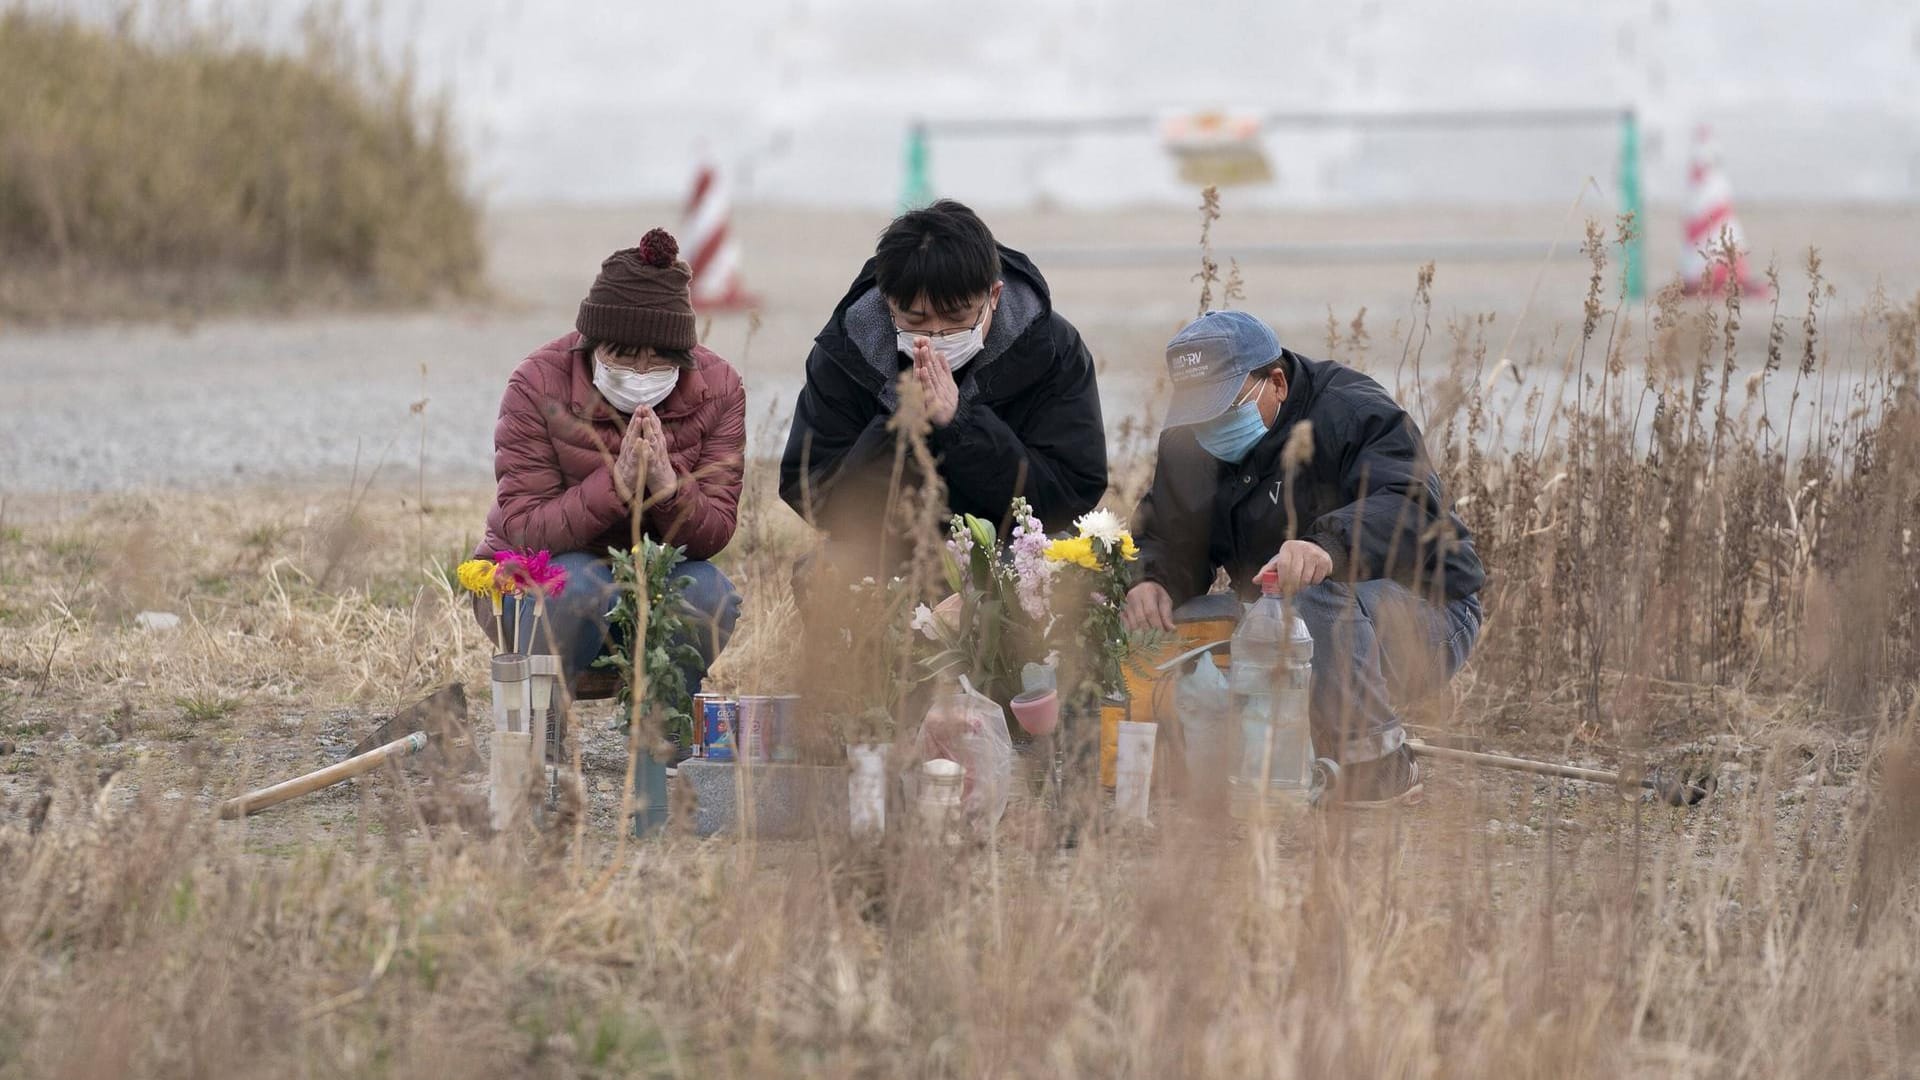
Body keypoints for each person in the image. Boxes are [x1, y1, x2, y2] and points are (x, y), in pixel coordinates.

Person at [1124, 310, 1485, 806]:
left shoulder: (1351, 410)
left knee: (1311, 597)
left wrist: (1328, 546)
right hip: (1278, 624)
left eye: (1224, 410)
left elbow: (1411, 504)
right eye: (1198, 413)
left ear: (1275, 382)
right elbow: (1165, 532)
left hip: (1423, 614)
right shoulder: (1190, 441)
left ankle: (1378, 764)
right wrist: (1152, 580)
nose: (1209, 427)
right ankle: (1231, 751)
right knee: (1173, 622)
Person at [474, 226, 744, 707]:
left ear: (683, 357)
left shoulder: (719, 389)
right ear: (590, 344)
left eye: (659, 359)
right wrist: (615, 485)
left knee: (709, 591)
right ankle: (544, 734)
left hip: (645, 586)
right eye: (622, 356)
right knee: (576, 580)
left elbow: (715, 532)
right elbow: (522, 528)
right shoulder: (538, 383)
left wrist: (668, 487)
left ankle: (664, 738)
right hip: (536, 591)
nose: (641, 374)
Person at [780, 199, 1107, 576]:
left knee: (1069, 574)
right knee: (824, 575)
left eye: (956, 318)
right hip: (889, 550)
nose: (936, 334)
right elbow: (812, 494)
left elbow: (1072, 492)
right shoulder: (849, 349)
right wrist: (897, 428)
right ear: (889, 303)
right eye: (916, 319)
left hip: (1009, 547)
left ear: (994, 296)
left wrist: (963, 425)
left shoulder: (1048, 347)